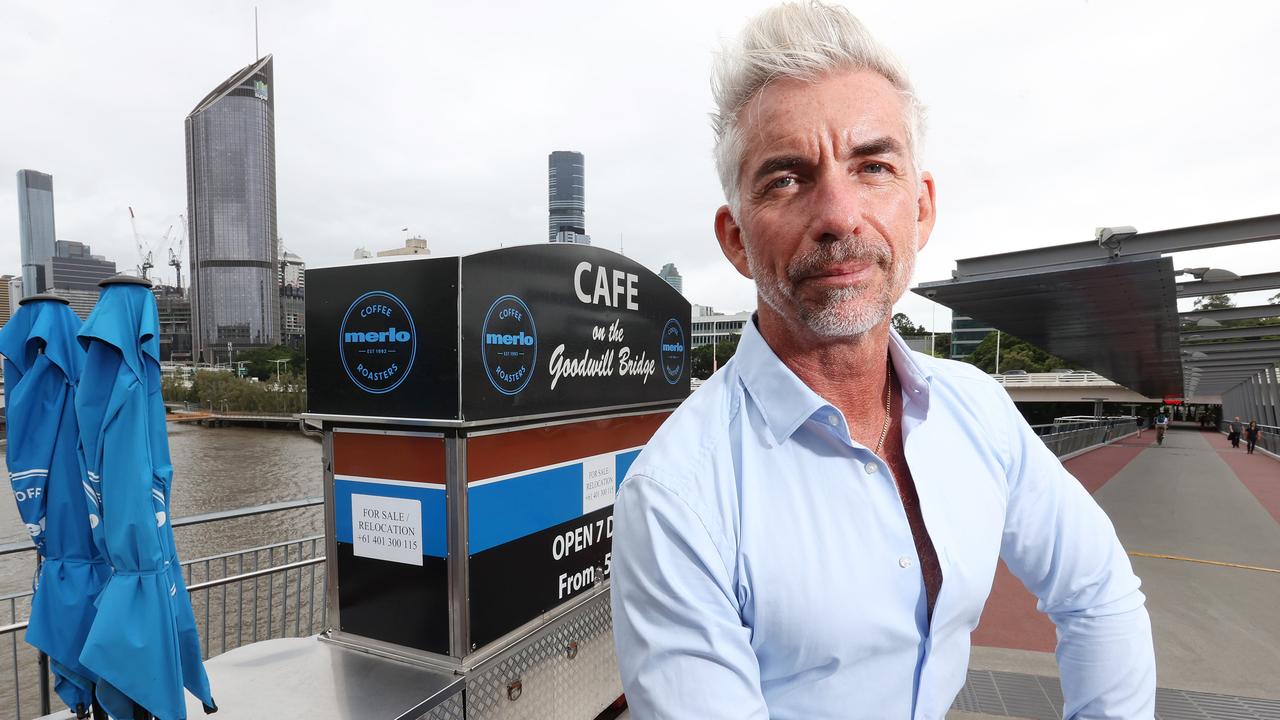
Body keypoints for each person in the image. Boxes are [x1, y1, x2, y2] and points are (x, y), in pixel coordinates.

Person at [610, 4, 1155, 718]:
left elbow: (1100, 593)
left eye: (872, 166)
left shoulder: (977, 408)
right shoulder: (679, 499)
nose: (839, 213)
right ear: (736, 239)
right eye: (786, 179)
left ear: (921, 208)